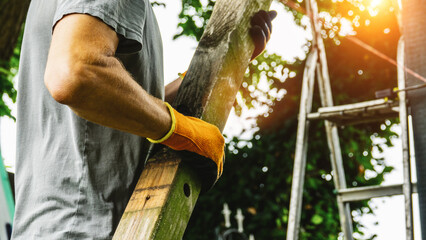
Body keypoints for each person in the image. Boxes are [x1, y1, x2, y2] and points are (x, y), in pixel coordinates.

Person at [11, 0, 276, 239]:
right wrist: (184, 132)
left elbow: (125, 106)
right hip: (81, 229)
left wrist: (226, 65)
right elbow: (77, 74)